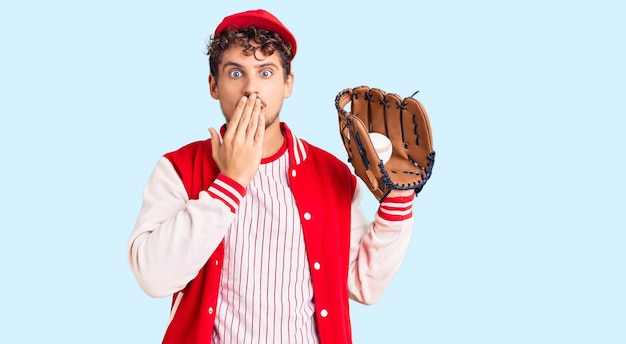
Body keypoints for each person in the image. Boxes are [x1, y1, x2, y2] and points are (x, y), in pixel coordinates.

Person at [127, 8, 417, 344]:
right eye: (236, 73)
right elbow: (153, 277)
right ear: (213, 85)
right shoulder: (178, 168)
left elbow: (363, 283)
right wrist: (230, 183)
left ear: (287, 84)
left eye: (266, 73)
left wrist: (399, 194)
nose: (251, 89)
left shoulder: (332, 174)